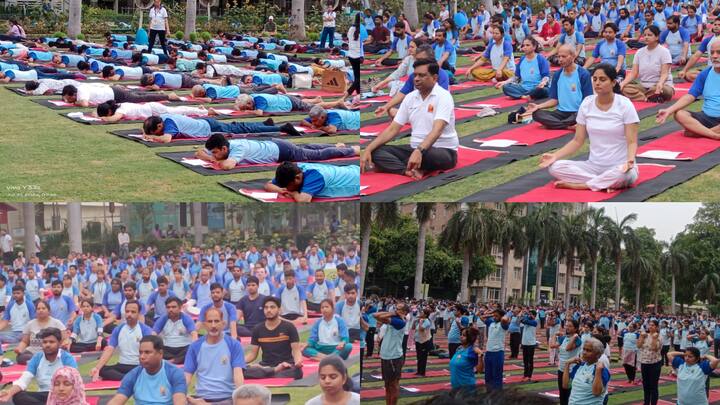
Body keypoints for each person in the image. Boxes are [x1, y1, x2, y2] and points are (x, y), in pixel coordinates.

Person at [540, 64, 639, 191]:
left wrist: (630, 160)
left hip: (620, 166)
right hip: (593, 166)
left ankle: (585, 184)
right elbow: (577, 140)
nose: (597, 83)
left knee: (624, 175)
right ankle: (601, 182)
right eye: (595, 79)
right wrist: (555, 155)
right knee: (555, 167)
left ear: (613, 82)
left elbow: (632, 142)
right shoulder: (587, 103)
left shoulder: (625, 104)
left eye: (602, 80)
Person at [362, 59, 457, 180]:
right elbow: (393, 129)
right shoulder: (410, 98)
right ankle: (406, 170)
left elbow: (437, 130)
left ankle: (402, 165)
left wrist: (419, 150)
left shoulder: (443, 96)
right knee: (376, 151)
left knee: (429, 155)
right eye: (415, 75)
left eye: (422, 75)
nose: (416, 79)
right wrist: (368, 149)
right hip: (414, 148)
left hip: (441, 150)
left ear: (434, 78)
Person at [656, 40, 720, 140]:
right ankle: (713, 134)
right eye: (712, 53)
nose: (715, 56)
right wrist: (669, 110)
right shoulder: (705, 74)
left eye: (718, 52)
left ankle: (699, 132)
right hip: (707, 116)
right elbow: (690, 96)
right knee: (679, 114)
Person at [196, 133, 358, 171]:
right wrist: (213, 157)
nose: (214, 155)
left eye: (216, 152)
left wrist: (214, 161)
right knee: (306, 150)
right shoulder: (226, 145)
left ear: (224, 148)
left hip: (282, 151)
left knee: (315, 156)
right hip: (277, 146)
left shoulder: (237, 148)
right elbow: (198, 152)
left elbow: (227, 166)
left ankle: (351, 150)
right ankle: (338, 147)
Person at [184, 307, 245, 404]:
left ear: (223, 324)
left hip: (227, 398)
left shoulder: (234, 345)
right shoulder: (195, 346)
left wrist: (241, 398)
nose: (213, 325)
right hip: (201, 397)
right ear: (204, 324)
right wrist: (180, 394)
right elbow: (187, 375)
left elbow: (238, 374)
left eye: (216, 321)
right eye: (210, 321)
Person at [525, 44, 593, 129]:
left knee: (581, 115)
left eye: (564, 56)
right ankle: (568, 126)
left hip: (577, 112)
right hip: (561, 112)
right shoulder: (557, 75)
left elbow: (587, 102)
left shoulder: (583, 74)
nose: (560, 59)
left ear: (573, 56)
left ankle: (556, 124)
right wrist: (538, 106)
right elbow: (554, 100)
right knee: (537, 114)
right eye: (559, 56)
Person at [108, 335, 187, 405]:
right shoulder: (133, 375)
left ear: (160, 353)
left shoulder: (175, 373)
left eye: (147, 352)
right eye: (140, 352)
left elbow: (180, 400)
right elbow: (118, 399)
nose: (142, 356)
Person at [91, 301, 154, 381]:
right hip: (122, 365)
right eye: (127, 311)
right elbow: (109, 349)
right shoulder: (119, 329)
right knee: (102, 370)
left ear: (138, 314)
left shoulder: (145, 330)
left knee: (147, 372)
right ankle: (129, 378)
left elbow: (150, 353)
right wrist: (97, 368)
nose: (129, 314)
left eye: (133, 312)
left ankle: (128, 378)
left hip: (138, 365)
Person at [244, 296, 304, 380]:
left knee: (297, 372)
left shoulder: (289, 327)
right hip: (266, 365)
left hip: (286, 365)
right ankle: (274, 371)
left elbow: (296, 350)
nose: (269, 310)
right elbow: (252, 354)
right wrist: (239, 362)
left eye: (272, 307)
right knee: (243, 370)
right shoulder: (257, 329)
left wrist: (298, 362)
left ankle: (269, 373)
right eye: (266, 308)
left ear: (279, 310)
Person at [141, 113, 301, 143]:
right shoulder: (164, 116)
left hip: (211, 129)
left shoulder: (168, 125)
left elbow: (167, 139)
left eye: (156, 131)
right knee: (241, 126)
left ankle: (282, 128)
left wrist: (151, 137)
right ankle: (265, 125)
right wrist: (149, 133)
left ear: (160, 125)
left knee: (244, 130)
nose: (158, 134)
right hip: (207, 123)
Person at [620, 26, 675, 103]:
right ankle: (647, 97)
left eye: (649, 35)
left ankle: (644, 96)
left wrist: (660, 83)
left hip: (661, 85)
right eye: (645, 35)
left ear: (657, 37)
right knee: (624, 88)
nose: (646, 37)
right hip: (644, 86)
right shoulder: (639, 52)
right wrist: (622, 84)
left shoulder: (664, 52)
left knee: (662, 90)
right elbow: (633, 73)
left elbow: (664, 73)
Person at [265, 161, 360, 202]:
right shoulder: (293, 170)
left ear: (297, 178)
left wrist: (293, 194)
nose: (287, 188)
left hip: (357, 181)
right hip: (352, 170)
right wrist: (281, 190)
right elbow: (268, 185)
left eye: (288, 186)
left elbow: (303, 200)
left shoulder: (314, 177)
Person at [14, 300, 68, 365]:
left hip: (52, 351)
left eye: (43, 308)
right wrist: (19, 349)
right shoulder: (30, 324)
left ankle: (40, 361)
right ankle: (43, 361)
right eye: (38, 309)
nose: (41, 310)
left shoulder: (57, 323)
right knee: (21, 358)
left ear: (49, 311)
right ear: (36, 311)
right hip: (33, 352)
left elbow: (65, 339)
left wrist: (64, 344)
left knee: (63, 354)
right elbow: (24, 342)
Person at [373, 302, 407, 405]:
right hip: (386, 355)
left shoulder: (400, 322)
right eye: (396, 308)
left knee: (393, 384)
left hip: (394, 356)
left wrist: (392, 314)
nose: (396, 310)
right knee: (387, 384)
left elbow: (377, 316)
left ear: (404, 312)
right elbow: (375, 315)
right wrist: (392, 313)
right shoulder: (395, 318)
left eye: (399, 309)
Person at [562, 338, 610, 405]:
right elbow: (566, 385)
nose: (584, 352)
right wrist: (567, 364)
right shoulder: (579, 366)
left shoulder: (601, 370)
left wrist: (598, 371)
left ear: (598, 354)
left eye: (588, 350)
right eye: (584, 349)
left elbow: (596, 392)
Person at [153, 296, 197, 364]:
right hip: (167, 348)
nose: (170, 309)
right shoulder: (163, 319)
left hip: (183, 348)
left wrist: (194, 347)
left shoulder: (186, 318)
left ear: (180, 308)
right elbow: (153, 334)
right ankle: (173, 360)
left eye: (173, 307)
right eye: (168, 307)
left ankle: (172, 361)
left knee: (191, 349)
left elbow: (194, 334)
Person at [550, 317, 582, 405]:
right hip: (561, 369)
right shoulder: (563, 338)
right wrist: (554, 335)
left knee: (569, 393)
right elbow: (552, 345)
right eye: (566, 326)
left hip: (571, 370)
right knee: (562, 393)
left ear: (575, 328)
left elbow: (568, 348)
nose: (567, 328)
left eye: (570, 326)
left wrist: (575, 336)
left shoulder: (578, 340)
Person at [96, 100, 211, 122]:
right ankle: (199, 110)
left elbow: (114, 118)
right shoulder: (119, 107)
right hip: (151, 109)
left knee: (178, 111)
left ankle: (202, 111)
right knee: (177, 111)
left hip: (154, 110)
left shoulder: (121, 109)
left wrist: (104, 118)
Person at [481, 308, 510, 391]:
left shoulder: (503, 324)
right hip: (488, 352)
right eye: (494, 316)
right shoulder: (491, 323)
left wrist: (500, 314)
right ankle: (488, 393)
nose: (494, 317)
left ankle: (497, 395)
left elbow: (505, 318)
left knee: (496, 375)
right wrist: (492, 313)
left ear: (501, 316)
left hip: (498, 353)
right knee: (488, 375)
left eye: (496, 316)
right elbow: (481, 317)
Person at [638, 319, 663, 405]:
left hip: (654, 363)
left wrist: (654, 338)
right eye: (649, 325)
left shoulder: (659, 336)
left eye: (652, 325)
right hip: (644, 363)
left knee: (653, 386)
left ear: (656, 327)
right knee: (646, 385)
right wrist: (641, 337)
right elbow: (638, 345)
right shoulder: (645, 335)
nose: (650, 327)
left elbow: (654, 348)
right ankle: (646, 402)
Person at [449, 326, 480, 392]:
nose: (461, 336)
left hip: (467, 390)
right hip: (455, 388)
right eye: (461, 334)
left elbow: (479, 370)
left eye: (464, 335)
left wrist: (480, 355)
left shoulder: (472, 351)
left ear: (469, 338)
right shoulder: (459, 349)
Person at [346, 12, 363, 99]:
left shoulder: (351, 29)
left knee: (357, 76)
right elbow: (361, 44)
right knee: (358, 78)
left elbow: (349, 39)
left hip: (351, 55)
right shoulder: (361, 29)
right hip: (357, 56)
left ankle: (358, 94)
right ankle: (347, 93)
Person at [413, 308, 433, 377]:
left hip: (424, 342)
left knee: (423, 358)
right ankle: (418, 371)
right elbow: (413, 328)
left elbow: (421, 329)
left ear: (425, 315)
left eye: (422, 313)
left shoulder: (427, 321)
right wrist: (415, 321)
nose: (420, 314)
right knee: (419, 357)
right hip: (418, 341)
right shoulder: (421, 320)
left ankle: (422, 373)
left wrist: (420, 322)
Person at [520, 310, 539, 382]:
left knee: (530, 361)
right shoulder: (527, 319)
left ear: (534, 316)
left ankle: (529, 375)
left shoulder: (534, 322)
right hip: (524, 343)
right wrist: (526, 316)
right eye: (529, 314)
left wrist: (527, 317)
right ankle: (525, 374)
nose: (529, 315)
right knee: (525, 360)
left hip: (531, 344)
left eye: (531, 314)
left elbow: (525, 321)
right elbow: (521, 320)